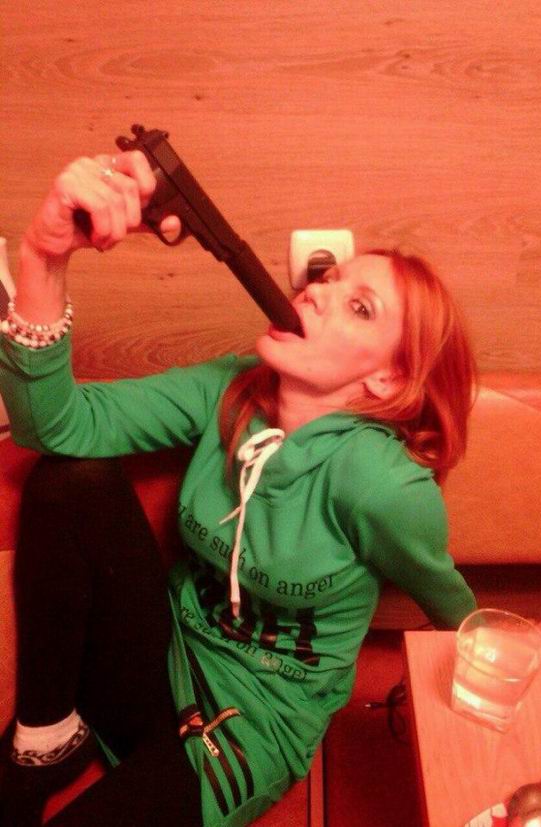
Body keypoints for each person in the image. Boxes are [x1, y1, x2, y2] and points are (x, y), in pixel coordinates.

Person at [0, 150, 477, 827]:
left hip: (248, 726)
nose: (315, 293)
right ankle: (46, 741)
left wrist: (492, 645)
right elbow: (54, 426)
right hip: (163, 657)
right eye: (328, 280)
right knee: (70, 479)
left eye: (359, 307)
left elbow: (443, 592)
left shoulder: (384, 484)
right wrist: (44, 257)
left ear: (388, 379)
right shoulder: (231, 387)